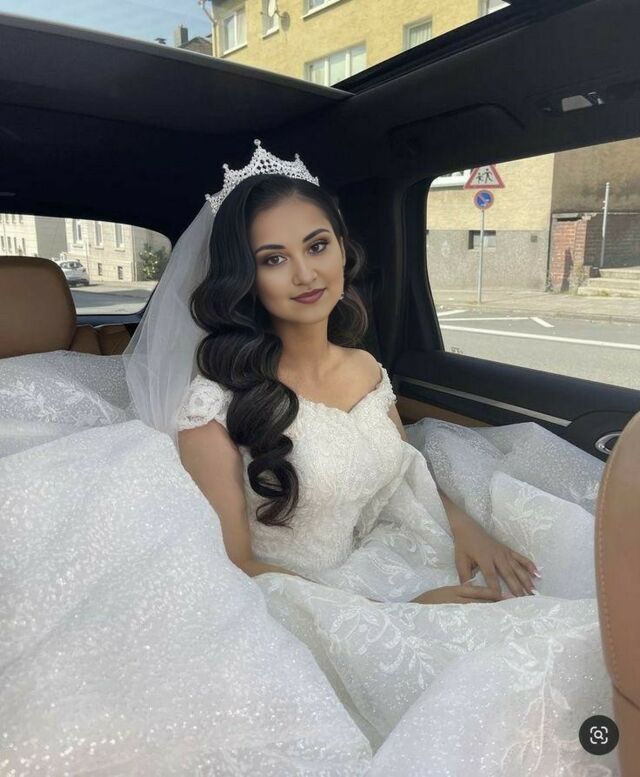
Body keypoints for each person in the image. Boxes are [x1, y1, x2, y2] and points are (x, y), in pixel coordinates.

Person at [0, 140, 618, 775]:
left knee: (572, 629)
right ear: (246, 279)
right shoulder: (211, 408)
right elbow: (236, 564)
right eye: (274, 259)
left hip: (387, 555)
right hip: (299, 606)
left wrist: (468, 529)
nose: (305, 274)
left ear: (343, 249)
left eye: (317, 246)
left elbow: (402, 468)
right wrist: (397, 616)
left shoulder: (367, 367)